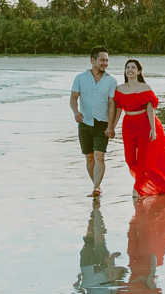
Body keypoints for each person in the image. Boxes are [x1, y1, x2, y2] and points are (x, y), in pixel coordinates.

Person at [111, 59, 165, 200]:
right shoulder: (120, 89)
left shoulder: (145, 88)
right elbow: (118, 110)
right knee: (130, 159)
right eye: (128, 67)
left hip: (146, 124)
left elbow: (150, 109)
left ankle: (137, 189)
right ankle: (156, 184)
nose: (130, 70)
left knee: (145, 160)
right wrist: (112, 128)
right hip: (128, 125)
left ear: (139, 71)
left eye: (133, 67)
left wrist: (153, 129)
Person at [70, 47, 118, 198]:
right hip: (85, 123)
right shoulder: (80, 78)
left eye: (107, 60)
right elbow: (73, 98)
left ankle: (96, 188)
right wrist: (76, 112)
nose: (105, 63)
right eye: (102, 60)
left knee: (99, 156)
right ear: (93, 60)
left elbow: (112, 104)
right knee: (89, 157)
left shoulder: (111, 81)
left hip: (102, 124)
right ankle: (96, 185)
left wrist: (111, 126)